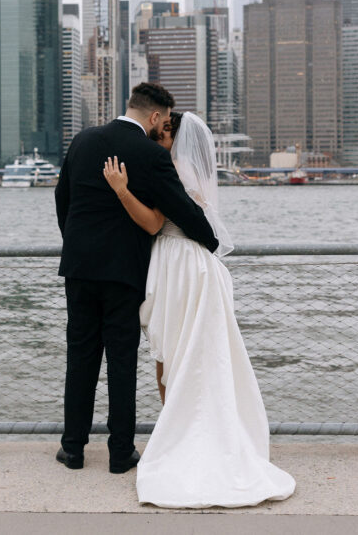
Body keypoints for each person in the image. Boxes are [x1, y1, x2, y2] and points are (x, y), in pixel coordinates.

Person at [102, 111, 296, 508]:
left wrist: (122, 190)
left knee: (170, 356)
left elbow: (157, 221)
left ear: (173, 134)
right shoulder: (192, 169)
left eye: (164, 133)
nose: (158, 138)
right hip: (199, 268)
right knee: (197, 357)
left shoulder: (169, 167)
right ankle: (192, 432)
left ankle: (178, 435)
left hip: (177, 264)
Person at [55, 83, 219, 474]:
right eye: (163, 120)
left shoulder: (82, 141)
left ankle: (73, 449)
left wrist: (77, 244)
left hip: (79, 268)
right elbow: (182, 209)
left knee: (80, 357)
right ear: (156, 117)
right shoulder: (149, 154)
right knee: (121, 361)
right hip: (124, 271)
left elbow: (63, 198)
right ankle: (119, 453)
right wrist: (210, 241)